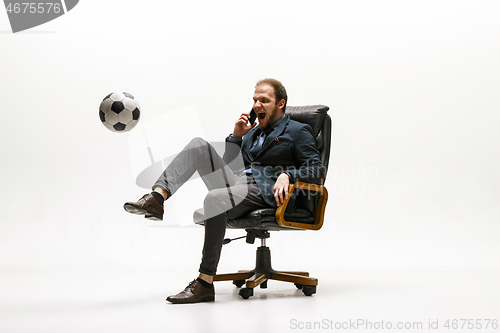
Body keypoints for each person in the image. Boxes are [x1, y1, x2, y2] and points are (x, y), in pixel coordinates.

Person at [124, 78, 324, 304]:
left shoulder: (298, 131)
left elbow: (317, 169)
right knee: (199, 145)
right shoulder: (252, 132)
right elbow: (235, 166)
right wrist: (237, 137)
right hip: (239, 184)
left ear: (280, 104)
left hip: (265, 192)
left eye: (264, 101)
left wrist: (288, 175)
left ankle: (205, 283)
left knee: (215, 198)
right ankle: (157, 197)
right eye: (255, 100)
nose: (257, 105)